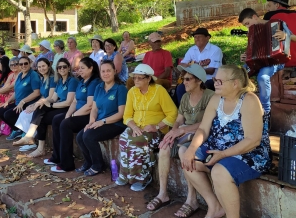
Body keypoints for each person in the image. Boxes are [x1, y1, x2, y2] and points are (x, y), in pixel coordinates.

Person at [181, 65, 271, 218]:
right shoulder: (217, 98)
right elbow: (203, 129)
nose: (215, 83)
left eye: (219, 81)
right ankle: (214, 206)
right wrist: (191, 150)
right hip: (219, 147)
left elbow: (253, 140)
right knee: (185, 155)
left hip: (249, 153)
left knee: (219, 171)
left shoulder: (249, 100)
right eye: (215, 80)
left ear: (235, 83)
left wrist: (222, 155)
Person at [146, 64, 214, 214]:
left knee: (184, 151)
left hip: (200, 135)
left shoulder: (210, 96)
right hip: (183, 133)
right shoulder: (184, 97)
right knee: (164, 147)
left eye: (188, 79)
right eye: (183, 78)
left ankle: (192, 199)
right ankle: (163, 194)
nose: (184, 82)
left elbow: (207, 123)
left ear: (199, 81)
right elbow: (179, 118)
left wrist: (183, 130)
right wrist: (174, 131)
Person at [116, 64, 178, 191]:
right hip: (136, 127)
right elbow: (127, 116)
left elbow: (173, 113)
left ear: (148, 78)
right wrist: (134, 127)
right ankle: (126, 174)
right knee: (123, 138)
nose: (136, 81)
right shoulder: (132, 92)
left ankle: (142, 178)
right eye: (135, 78)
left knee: (136, 142)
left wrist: (157, 126)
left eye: (140, 78)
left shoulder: (159, 90)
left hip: (156, 131)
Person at [13, 58, 78, 158]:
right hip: (58, 105)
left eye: (64, 66)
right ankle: (38, 146)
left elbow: (68, 102)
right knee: (40, 110)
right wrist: (44, 102)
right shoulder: (60, 81)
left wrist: (50, 104)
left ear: (69, 68)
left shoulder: (72, 81)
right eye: (59, 67)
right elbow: (53, 98)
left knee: (41, 114)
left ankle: (34, 141)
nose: (62, 69)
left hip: (67, 108)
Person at [47, 57, 101, 173]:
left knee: (66, 124)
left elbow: (90, 106)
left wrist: (73, 116)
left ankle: (67, 164)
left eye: (83, 68)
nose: (79, 70)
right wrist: (68, 114)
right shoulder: (82, 81)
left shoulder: (94, 82)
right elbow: (75, 101)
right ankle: (57, 157)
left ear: (91, 68)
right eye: (79, 68)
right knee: (57, 119)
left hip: (87, 115)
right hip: (77, 113)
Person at [76, 60, 127, 176]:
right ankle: (88, 162)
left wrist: (102, 122)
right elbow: (94, 109)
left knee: (88, 136)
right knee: (80, 136)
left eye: (108, 70)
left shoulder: (121, 89)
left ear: (115, 71)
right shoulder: (99, 87)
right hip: (100, 121)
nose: (105, 73)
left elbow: (121, 114)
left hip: (116, 123)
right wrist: (92, 121)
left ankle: (98, 165)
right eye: (103, 71)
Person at [238, 8, 293, 115]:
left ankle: (266, 111)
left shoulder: (277, 23)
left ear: (254, 17)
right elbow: (252, 50)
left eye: (247, 23)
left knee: (263, 77)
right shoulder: (252, 32)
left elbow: (291, 39)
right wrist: (246, 56)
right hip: (259, 61)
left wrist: (286, 36)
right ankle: (240, 107)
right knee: (237, 75)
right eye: (245, 25)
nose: (247, 27)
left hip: (276, 60)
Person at [0, 56, 41, 139]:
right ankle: (17, 130)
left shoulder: (33, 75)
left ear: (30, 63)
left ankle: (21, 130)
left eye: (25, 63)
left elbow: (37, 93)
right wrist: (7, 101)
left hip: (28, 103)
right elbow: (17, 92)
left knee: (8, 114)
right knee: (0, 111)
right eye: (21, 64)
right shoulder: (20, 74)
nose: (23, 65)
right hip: (18, 102)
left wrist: (23, 101)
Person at [175, 28, 223, 106]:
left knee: (203, 86)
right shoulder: (192, 49)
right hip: (193, 79)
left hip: (210, 79)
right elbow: (182, 64)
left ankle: (202, 110)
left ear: (207, 38)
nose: (196, 39)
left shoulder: (215, 50)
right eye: (195, 37)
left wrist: (194, 68)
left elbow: (211, 71)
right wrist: (194, 66)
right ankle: (183, 111)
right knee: (180, 88)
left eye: (199, 36)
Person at [264, 0, 296, 67]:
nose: (268, 9)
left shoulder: (269, 16)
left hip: (282, 63)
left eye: (269, 5)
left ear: (277, 5)